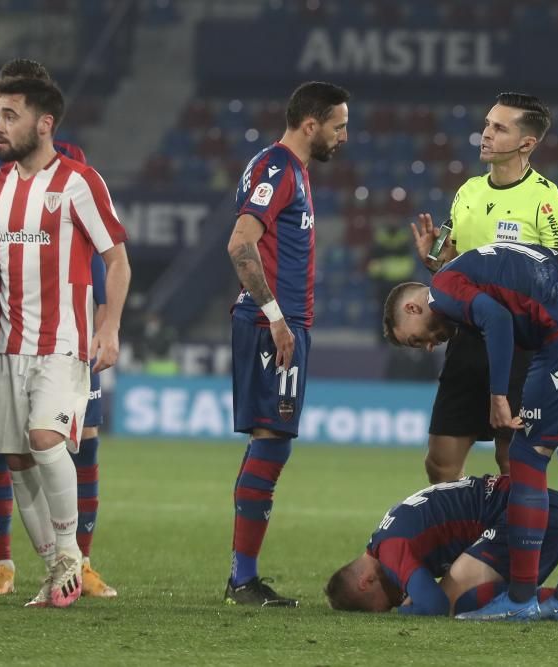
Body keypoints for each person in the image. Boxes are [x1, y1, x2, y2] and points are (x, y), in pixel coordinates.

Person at [383, 242, 558, 621]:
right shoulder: (477, 267)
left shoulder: (442, 287)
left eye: (416, 338)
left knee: (525, 456)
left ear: (412, 307)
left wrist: (498, 395)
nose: (427, 346)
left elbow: (497, 319)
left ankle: (520, 601)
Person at [0, 58, 116, 599]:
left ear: (44, 123)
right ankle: (55, 572)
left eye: (9, 115)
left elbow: (118, 259)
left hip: (62, 341)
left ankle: (71, 554)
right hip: (7, 344)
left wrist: (109, 326)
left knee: (46, 439)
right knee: (17, 459)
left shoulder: (78, 181)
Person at [411, 93, 558, 483]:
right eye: (487, 124)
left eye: (498, 128)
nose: (485, 134)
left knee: (514, 463)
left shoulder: (547, 202)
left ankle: (504, 543)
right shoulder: (468, 191)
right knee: (440, 462)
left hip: (522, 347)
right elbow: (448, 255)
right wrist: (433, 257)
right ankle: (458, 540)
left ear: (527, 143)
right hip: (468, 338)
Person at [225, 81, 349, 607]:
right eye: (339, 125)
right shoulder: (279, 168)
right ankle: (242, 580)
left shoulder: (282, 167)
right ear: (310, 124)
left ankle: (242, 577)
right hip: (270, 323)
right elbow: (240, 242)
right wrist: (276, 316)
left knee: (270, 442)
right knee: (272, 442)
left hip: (280, 320)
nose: (345, 136)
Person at [324, 475, 558, 621]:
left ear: (366, 582)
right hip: (538, 510)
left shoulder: (391, 549)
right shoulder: (384, 536)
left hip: (529, 515)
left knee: (459, 604)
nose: (392, 603)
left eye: (383, 605)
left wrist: (407, 612)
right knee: (465, 592)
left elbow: (434, 607)